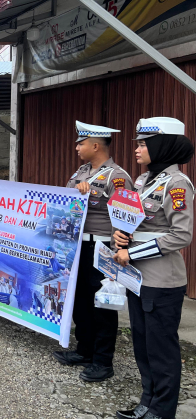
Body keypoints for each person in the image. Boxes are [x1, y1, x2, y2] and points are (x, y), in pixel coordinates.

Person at [112, 117, 194, 419]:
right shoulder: (143, 180)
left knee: (161, 349)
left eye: (144, 144)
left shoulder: (177, 184)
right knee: (143, 345)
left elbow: (181, 235)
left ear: (162, 146)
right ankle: (147, 402)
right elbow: (131, 220)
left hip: (162, 280)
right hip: (137, 277)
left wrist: (132, 253)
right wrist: (119, 235)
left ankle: (162, 411)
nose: (137, 149)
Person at [52, 121, 133, 383]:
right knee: (80, 302)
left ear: (96, 145)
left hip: (102, 248)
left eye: (81, 143)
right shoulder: (82, 171)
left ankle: (103, 361)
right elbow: (65, 201)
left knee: (102, 306)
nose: (77, 147)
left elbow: (126, 219)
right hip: (78, 246)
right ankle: (84, 350)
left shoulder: (117, 177)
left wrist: (119, 252)